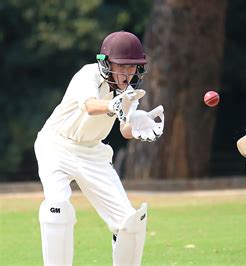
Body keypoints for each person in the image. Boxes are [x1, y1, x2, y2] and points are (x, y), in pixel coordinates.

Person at [34, 31, 164, 266]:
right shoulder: (87, 75)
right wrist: (114, 105)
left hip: (93, 153)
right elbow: (90, 106)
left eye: (132, 67)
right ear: (105, 63)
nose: (127, 73)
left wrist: (137, 123)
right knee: (57, 208)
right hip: (56, 146)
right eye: (121, 66)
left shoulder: (129, 92)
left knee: (129, 223)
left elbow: (124, 127)